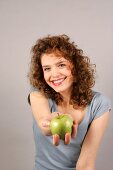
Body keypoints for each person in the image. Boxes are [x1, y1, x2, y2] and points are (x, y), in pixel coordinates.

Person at [27, 34, 111, 170]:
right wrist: (50, 123)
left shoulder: (99, 103)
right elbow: (44, 123)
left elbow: (86, 164)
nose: (54, 74)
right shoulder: (38, 92)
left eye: (61, 65)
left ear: (75, 67)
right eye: (47, 68)